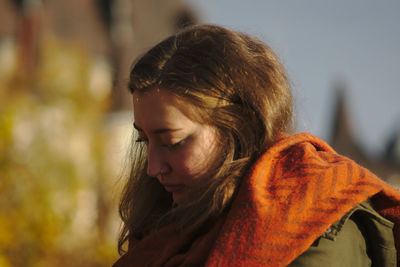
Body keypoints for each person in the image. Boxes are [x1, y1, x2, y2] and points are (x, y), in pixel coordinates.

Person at [113, 24, 400, 267]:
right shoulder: (164, 236)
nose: (152, 167)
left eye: (171, 142)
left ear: (240, 129)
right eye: (144, 140)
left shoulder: (315, 229)